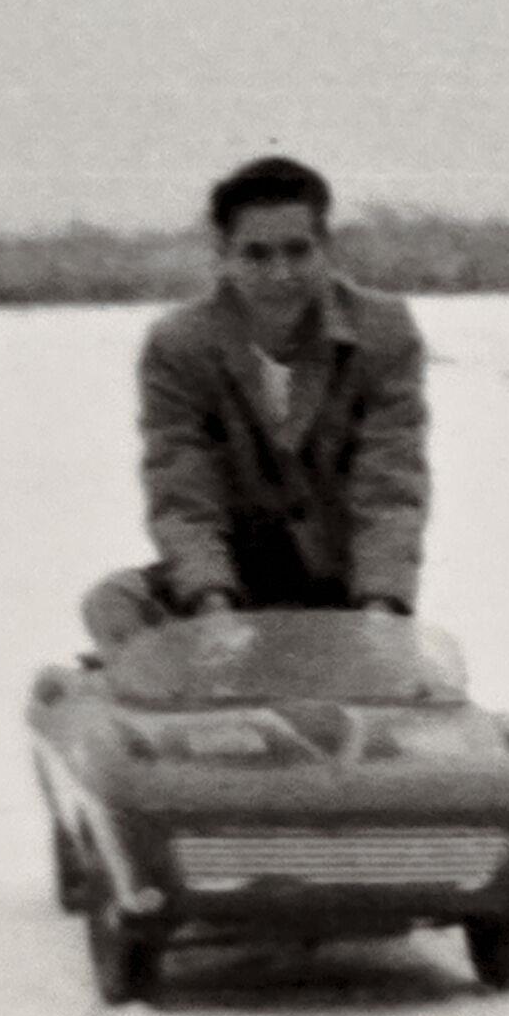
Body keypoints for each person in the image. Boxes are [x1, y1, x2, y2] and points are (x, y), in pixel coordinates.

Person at [80, 156, 429, 651]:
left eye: (298, 250)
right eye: (257, 254)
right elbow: (182, 493)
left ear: (326, 248)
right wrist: (211, 604)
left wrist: (382, 607)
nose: (281, 272)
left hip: (343, 588)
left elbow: (391, 486)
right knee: (111, 603)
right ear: (224, 254)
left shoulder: (383, 332)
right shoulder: (179, 346)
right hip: (233, 580)